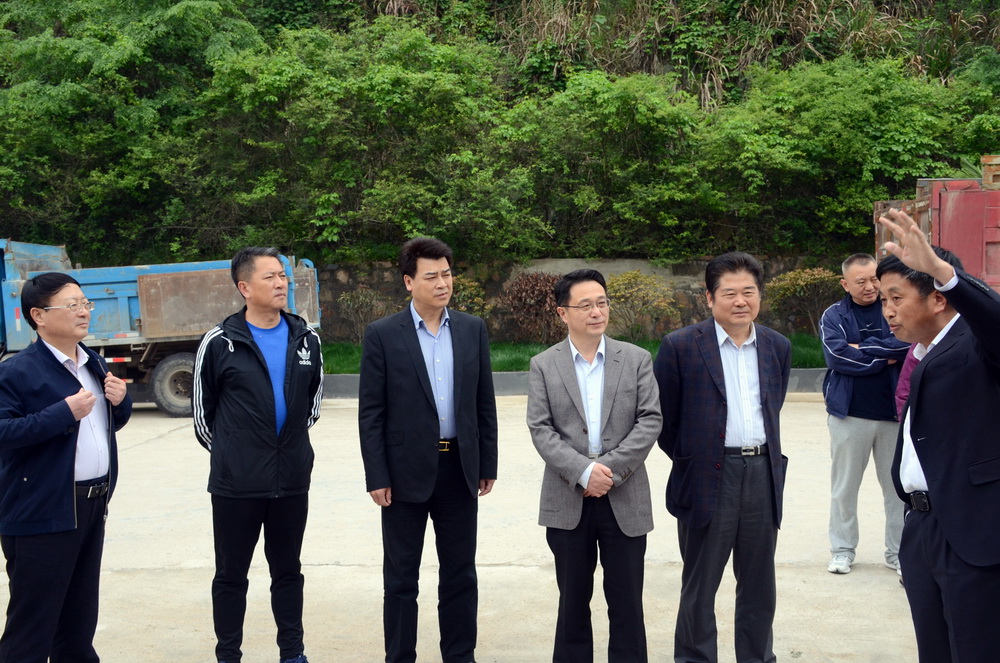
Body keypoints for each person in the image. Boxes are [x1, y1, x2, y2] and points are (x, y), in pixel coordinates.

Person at [358, 237, 498, 663]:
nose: (443, 283)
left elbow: (484, 402)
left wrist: (487, 462)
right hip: (403, 474)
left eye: (447, 274)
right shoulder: (383, 334)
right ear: (408, 282)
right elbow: (371, 412)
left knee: (460, 574)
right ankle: (400, 656)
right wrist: (377, 475)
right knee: (401, 578)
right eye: (432, 276)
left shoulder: (472, 329)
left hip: (459, 467)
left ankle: (460, 655)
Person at [653, 251, 792, 663]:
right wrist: (695, 459)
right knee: (700, 583)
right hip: (707, 476)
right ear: (709, 298)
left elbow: (773, 406)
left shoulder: (777, 346)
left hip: (762, 472)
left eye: (749, 292)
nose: (740, 301)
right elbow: (665, 422)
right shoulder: (680, 346)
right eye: (729, 293)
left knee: (759, 584)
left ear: (760, 295)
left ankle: (757, 657)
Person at [876, 209, 1000, 663]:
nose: (888, 311)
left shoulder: (976, 343)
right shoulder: (921, 352)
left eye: (897, 297)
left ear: (938, 299)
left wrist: (943, 273)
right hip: (922, 527)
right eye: (883, 299)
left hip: (971, 534)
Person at [192, 247, 323, 663]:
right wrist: (236, 455)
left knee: (288, 572)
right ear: (245, 287)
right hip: (236, 485)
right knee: (231, 576)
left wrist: (286, 450)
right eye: (270, 277)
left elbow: (311, 406)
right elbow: (203, 416)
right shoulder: (219, 342)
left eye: (282, 275)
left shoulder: (307, 338)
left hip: (291, 481)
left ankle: (293, 653)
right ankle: (229, 655)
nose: (281, 283)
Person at [527, 269, 661, 663]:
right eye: (585, 305)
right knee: (571, 604)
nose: (596, 312)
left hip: (625, 496)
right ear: (562, 313)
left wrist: (609, 472)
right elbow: (540, 428)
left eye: (601, 303)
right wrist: (583, 472)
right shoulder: (544, 364)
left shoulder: (635, 359)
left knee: (627, 603)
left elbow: (650, 420)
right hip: (568, 498)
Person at [0, 272, 132, 661]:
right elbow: (4, 432)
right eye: (71, 305)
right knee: (33, 627)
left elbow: (103, 427)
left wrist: (121, 402)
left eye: (84, 303)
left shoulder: (93, 361)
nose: (83, 312)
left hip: (91, 505)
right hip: (41, 511)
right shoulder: (17, 371)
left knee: (78, 620)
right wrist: (62, 413)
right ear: (38, 315)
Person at [820, 253, 909, 576]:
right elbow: (837, 357)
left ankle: (899, 553)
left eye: (874, 279)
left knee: (898, 489)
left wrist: (862, 349)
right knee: (844, 488)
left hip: (893, 415)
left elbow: (906, 344)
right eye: (861, 281)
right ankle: (842, 551)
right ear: (845, 284)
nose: (870, 286)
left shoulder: (896, 307)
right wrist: (884, 354)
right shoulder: (834, 315)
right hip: (849, 415)